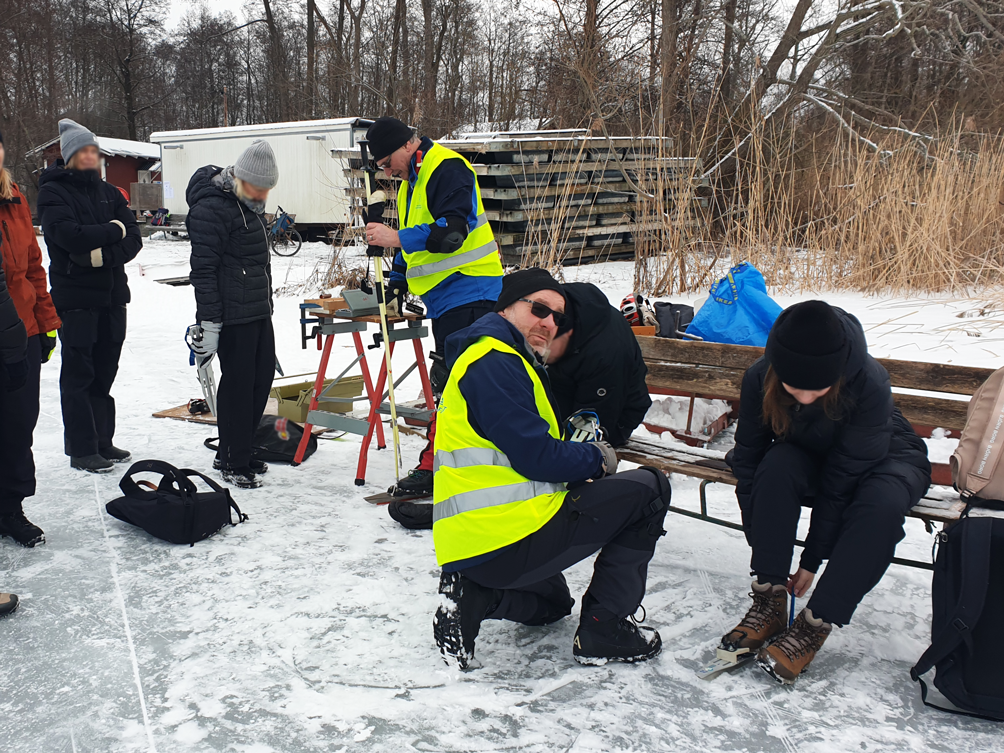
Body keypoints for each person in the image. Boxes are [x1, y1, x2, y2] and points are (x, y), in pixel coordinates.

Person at [431, 268, 672, 669]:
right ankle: (604, 628)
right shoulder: (494, 363)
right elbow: (537, 457)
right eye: (539, 308)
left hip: (474, 543)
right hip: (506, 534)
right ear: (506, 307)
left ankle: (475, 598)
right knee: (650, 488)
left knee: (553, 604)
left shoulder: (502, 360)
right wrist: (597, 457)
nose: (549, 322)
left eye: (558, 317)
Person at [724, 300, 931, 685]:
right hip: (812, 449)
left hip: (884, 457)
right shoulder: (759, 377)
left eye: (817, 388)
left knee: (880, 507)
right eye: (792, 387)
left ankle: (815, 623)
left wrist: (813, 558)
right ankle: (769, 600)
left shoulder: (869, 383)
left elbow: (842, 484)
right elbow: (749, 462)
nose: (803, 398)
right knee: (776, 464)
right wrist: (766, 553)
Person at [363, 117, 503, 511]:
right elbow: (417, 242)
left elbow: (451, 233)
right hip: (445, 300)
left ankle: (443, 468)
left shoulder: (447, 168)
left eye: (388, 161)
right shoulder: (414, 181)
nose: (387, 171)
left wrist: (395, 237)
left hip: (472, 292)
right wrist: (396, 280)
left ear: (406, 146)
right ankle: (447, 465)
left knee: (458, 386)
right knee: (454, 385)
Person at [37, 119, 141, 473]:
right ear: (69, 156)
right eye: (82, 151)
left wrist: (100, 255)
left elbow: (134, 239)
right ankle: (81, 449)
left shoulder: (109, 192)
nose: (89, 156)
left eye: (93, 151)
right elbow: (69, 237)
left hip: (113, 296)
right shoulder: (53, 192)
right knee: (79, 373)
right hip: (76, 298)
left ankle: (102, 441)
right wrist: (113, 229)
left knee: (104, 372)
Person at [187, 140, 279, 489]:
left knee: (261, 379)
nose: (262, 194)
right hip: (231, 313)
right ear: (240, 179)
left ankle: (238, 445)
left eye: (267, 189)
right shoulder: (211, 209)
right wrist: (210, 322)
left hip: (256, 310)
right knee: (238, 386)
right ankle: (232, 458)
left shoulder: (248, 204)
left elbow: (256, 262)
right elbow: (204, 270)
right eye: (258, 187)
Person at [0, 131, 61, 546]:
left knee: (19, 427)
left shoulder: (15, 196)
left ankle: (10, 508)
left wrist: (44, 326)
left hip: (21, 333)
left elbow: (34, 269)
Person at [546, 281, 651, 447]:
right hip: (570, 399)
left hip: (611, 418)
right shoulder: (561, 314)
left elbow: (593, 423)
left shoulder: (603, 352)